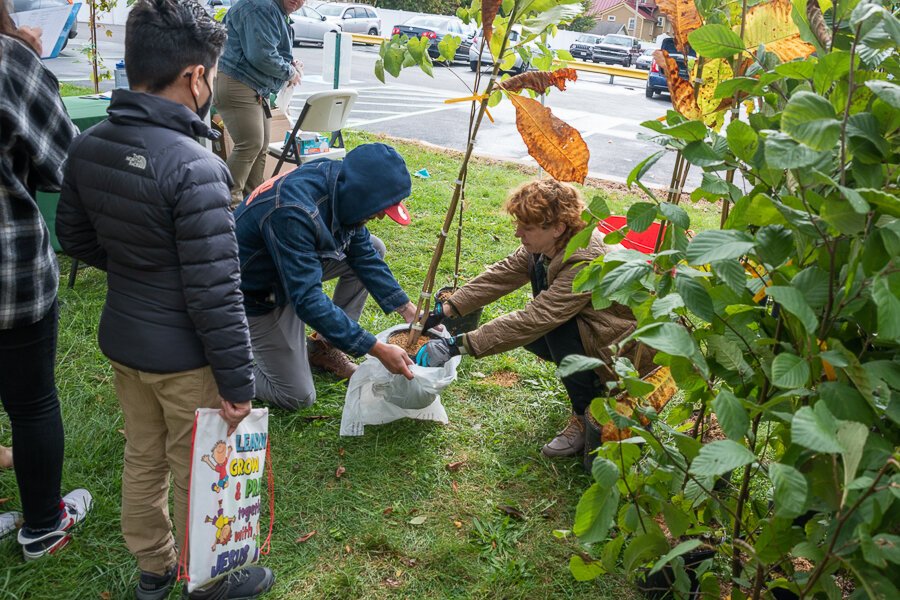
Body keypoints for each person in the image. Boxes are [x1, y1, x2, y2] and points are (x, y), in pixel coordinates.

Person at [56, 1, 272, 598]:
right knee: (200, 467)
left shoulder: (90, 143)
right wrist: (236, 383)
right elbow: (216, 291)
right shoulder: (198, 167)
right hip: (185, 358)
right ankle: (209, 578)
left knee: (142, 458)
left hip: (125, 341)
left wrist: (138, 269)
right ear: (195, 77)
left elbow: (74, 239)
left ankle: (154, 568)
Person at [415, 180, 653, 458]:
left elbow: (537, 318)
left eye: (526, 228)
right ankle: (594, 385)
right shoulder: (547, 246)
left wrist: (455, 345)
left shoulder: (584, 259)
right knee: (541, 332)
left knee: (554, 329)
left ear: (558, 228)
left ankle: (584, 412)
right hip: (598, 334)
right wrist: (445, 309)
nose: (518, 233)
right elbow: (501, 274)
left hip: (626, 349)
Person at [0, 3, 93, 559]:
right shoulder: (10, 61)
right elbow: (64, 162)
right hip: (9, 275)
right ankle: (42, 525)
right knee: (32, 401)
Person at [233, 143, 419, 411]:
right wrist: (375, 348)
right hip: (257, 292)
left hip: (287, 272)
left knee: (375, 248)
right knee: (296, 396)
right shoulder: (293, 211)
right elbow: (307, 299)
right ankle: (222, 366)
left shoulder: (340, 183)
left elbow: (363, 252)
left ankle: (323, 347)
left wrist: (407, 309)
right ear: (361, 194)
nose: (380, 216)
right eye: (379, 208)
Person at [214, 0, 304, 207]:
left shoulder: (273, 10)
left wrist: (289, 64)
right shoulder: (261, 7)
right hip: (237, 81)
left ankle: (254, 202)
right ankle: (227, 204)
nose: (298, 1)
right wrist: (290, 72)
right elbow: (261, 56)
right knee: (250, 144)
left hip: (252, 86)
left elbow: (266, 49)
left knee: (260, 146)